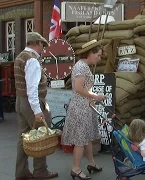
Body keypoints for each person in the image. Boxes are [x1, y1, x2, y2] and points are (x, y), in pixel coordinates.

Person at [14, 32, 58, 179]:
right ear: (37, 43)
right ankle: (40, 171)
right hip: (32, 102)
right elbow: (32, 89)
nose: (42, 49)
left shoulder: (20, 56)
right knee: (41, 137)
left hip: (20, 101)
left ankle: (21, 172)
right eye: (42, 45)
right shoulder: (32, 60)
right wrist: (38, 110)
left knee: (24, 137)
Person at [61, 39, 106, 180]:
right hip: (80, 108)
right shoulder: (81, 67)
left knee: (86, 138)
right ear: (90, 53)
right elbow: (79, 88)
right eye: (98, 55)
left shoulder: (83, 66)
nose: (99, 58)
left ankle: (91, 163)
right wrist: (96, 96)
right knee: (81, 140)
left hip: (85, 106)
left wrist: (92, 99)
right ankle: (76, 169)